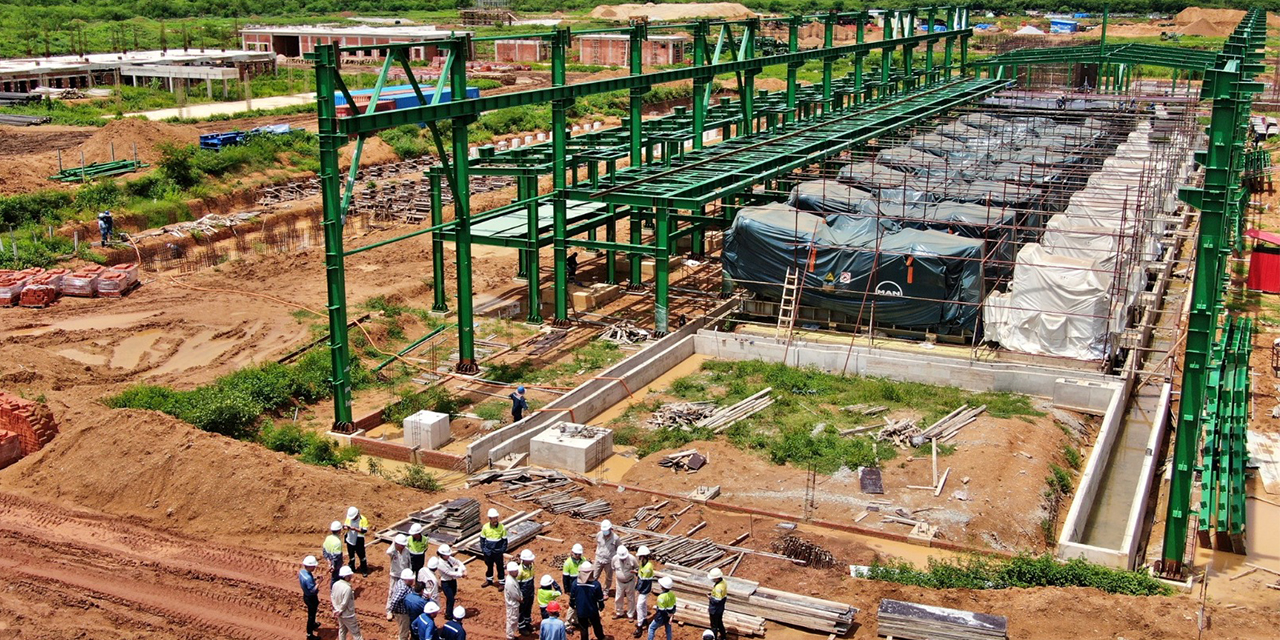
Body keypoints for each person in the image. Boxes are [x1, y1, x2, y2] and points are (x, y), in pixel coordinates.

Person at [571, 561, 606, 640]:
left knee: (583, 628)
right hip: (592, 610)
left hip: (581, 611)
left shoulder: (575, 584)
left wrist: (572, 605)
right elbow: (600, 598)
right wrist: (601, 605)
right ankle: (601, 637)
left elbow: (572, 598)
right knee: (596, 625)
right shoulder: (596, 584)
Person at [332, 566, 364, 640]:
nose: (351, 577)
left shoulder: (335, 584)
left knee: (342, 630)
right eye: (349, 576)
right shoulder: (347, 588)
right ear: (346, 577)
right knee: (356, 633)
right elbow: (345, 603)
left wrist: (336, 610)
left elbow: (332, 597)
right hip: (348, 615)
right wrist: (340, 611)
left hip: (339, 613)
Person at [481, 508, 509, 587]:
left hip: (497, 551)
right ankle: (489, 580)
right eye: (493, 518)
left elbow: (504, 541)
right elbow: (482, 539)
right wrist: (484, 550)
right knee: (489, 566)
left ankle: (502, 583)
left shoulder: (502, 527)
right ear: (490, 519)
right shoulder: (485, 527)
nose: (495, 520)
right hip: (488, 552)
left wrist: (502, 550)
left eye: (496, 518)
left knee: (500, 567)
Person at [436, 544, 465, 619]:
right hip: (446, 583)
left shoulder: (449, 559)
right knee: (451, 599)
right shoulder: (440, 563)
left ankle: (449, 611)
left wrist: (463, 569)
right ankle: (449, 615)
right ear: (442, 555)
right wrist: (461, 574)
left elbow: (458, 562)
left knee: (451, 597)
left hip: (452, 581)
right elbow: (449, 573)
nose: (448, 556)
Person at [389, 568, 418, 640]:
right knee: (404, 633)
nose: (412, 581)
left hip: (403, 612)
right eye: (411, 580)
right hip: (402, 614)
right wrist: (393, 611)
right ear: (406, 579)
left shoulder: (401, 582)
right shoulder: (403, 589)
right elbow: (394, 600)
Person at [632, 546, 654, 638]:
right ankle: (644, 618)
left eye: (640, 556)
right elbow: (641, 574)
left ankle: (640, 625)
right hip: (642, 588)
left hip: (645, 589)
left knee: (639, 606)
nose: (639, 558)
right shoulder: (643, 564)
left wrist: (638, 589)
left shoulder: (648, 567)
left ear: (644, 556)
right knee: (643, 604)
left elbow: (643, 580)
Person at [562, 543, 585, 629]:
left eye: (579, 554)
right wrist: (567, 589)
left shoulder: (583, 560)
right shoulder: (568, 563)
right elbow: (565, 578)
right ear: (572, 553)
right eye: (576, 554)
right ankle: (568, 622)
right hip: (573, 588)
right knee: (573, 605)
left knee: (579, 604)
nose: (578, 556)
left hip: (582, 587)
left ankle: (575, 620)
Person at [594, 520, 619, 597]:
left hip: (609, 561)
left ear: (610, 529)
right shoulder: (599, 535)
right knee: (594, 575)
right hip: (599, 559)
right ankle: (593, 589)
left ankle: (605, 591)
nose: (605, 532)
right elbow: (597, 544)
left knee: (608, 577)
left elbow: (618, 548)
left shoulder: (615, 538)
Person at [299, 555, 322, 640]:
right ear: (309, 566)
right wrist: (319, 582)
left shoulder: (302, 572)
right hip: (310, 598)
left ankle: (313, 625)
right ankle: (309, 634)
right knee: (311, 615)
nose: (314, 567)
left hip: (306, 596)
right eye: (313, 566)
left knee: (313, 612)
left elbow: (308, 582)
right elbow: (313, 590)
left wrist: (314, 579)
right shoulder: (308, 578)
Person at [612, 545, 637, 621]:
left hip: (630, 582)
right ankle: (619, 612)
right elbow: (613, 568)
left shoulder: (632, 558)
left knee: (631, 598)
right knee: (619, 597)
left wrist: (634, 572)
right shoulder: (614, 559)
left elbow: (637, 568)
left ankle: (630, 614)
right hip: (619, 582)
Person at [344, 507, 370, 575]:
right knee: (351, 556)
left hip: (359, 541)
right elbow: (344, 525)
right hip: (350, 540)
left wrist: (355, 529)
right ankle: (352, 568)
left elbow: (364, 530)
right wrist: (346, 527)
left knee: (362, 556)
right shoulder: (349, 518)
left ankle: (364, 570)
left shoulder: (363, 519)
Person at [387, 534, 412, 606]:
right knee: (392, 591)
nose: (403, 547)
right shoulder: (393, 551)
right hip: (395, 575)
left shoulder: (406, 551)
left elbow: (409, 563)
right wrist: (394, 543)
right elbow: (388, 552)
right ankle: (389, 609)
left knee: (405, 592)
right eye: (401, 545)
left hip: (404, 577)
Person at [517, 549, 537, 634]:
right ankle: (521, 627)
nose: (532, 560)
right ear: (524, 560)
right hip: (523, 594)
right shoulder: (520, 570)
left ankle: (527, 623)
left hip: (530, 592)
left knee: (528, 608)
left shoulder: (532, 566)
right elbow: (517, 585)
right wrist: (520, 596)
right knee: (521, 610)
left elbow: (532, 578)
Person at [707, 567, 728, 640]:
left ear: (716, 578)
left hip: (715, 609)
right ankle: (723, 637)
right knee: (719, 622)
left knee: (714, 626)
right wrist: (713, 593)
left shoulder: (718, 587)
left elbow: (717, 600)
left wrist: (710, 597)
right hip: (721, 607)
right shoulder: (723, 581)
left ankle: (714, 638)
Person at [504, 562, 523, 640]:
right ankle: (510, 637)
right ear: (511, 571)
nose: (517, 572)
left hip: (514, 604)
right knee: (512, 620)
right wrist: (520, 599)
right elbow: (515, 595)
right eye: (516, 571)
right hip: (512, 605)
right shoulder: (510, 582)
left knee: (513, 619)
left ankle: (511, 635)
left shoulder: (512, 579)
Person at [323, 521, 345, 586]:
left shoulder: (328, 538)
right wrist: (333, 566)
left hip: (330, 560)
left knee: (337, 576)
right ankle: (334, 592)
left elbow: (324, 551)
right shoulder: (337, 542)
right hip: (336, 564)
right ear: (339, 530)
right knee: (335, 577)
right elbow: (336, 557)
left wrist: (329, 562)